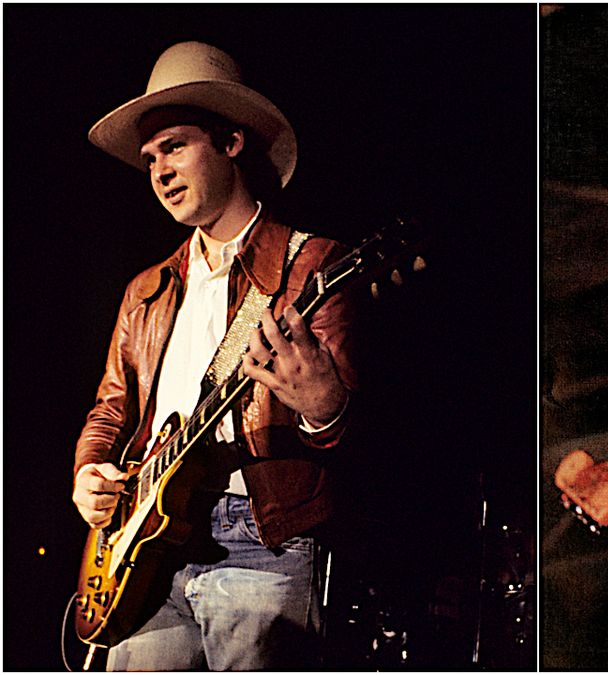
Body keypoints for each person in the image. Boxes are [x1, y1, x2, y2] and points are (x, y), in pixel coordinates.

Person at [71, 41, 356, 670]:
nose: (159, 171)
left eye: (174, 147)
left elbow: (364, 433)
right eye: (149, 159)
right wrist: (88, 473)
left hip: (260, 535)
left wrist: (324, 409)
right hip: (146, 547)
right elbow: (110, 410)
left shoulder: (309, 265)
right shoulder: (144, 290)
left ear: (231, 143)